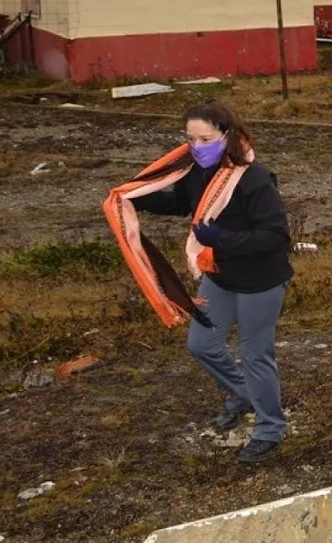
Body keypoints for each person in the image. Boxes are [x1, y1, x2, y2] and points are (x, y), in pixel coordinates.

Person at [122, 102, 292, 464]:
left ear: (227, 135)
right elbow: (181, 203)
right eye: (190, 138)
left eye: (206, 138)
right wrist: (137, 196)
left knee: (255, 353)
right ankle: (243, 393)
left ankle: (270, 428)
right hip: (219, 275)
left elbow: (276, 236)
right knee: (202, 343)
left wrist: (222, 237)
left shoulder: (253, 178)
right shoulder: (196, 171)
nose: (197, 146)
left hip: (260, 280)